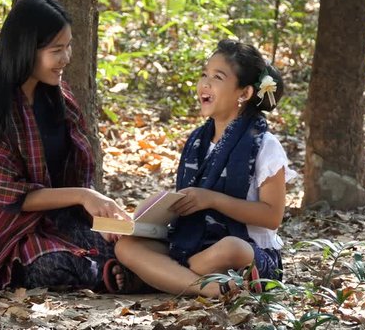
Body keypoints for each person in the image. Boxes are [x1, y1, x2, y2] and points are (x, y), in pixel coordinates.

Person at [0, 0, 128, 290]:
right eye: (57, 50)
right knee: (53, 266)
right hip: (0, 233)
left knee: (125, 246)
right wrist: (83, 196)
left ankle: (111, 269)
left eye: (68, 47)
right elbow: (15, 196)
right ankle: (105, 274)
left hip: (56, 220)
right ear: (27, 49)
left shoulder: (58, 99)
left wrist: (101, 215)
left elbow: (73, 175)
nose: (66, 58)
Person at [109, 40, 297, 297]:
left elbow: (272, 216)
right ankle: (209, 287)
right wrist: (155, 210)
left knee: (230, 247)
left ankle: (166, 277)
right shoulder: (198, 141)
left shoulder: (265, 145)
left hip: (243, 253)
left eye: (217, 77)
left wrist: (212, 200)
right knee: (127, 247)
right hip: (192, 245)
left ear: (244, 93)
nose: (205, 84)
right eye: (204, 75)